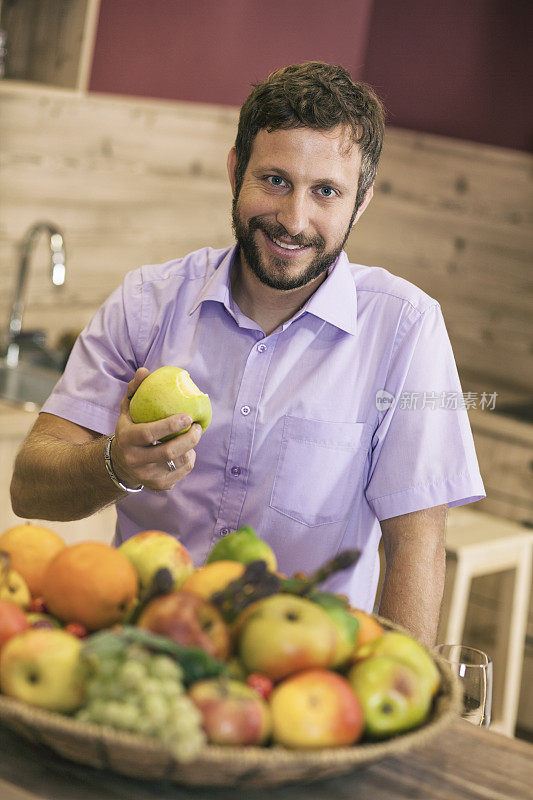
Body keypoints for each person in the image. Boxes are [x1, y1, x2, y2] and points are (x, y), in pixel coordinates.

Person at [10, 62, 484, 645]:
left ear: (359, 203)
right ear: (236, 170)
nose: (293, 219)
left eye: (326, 192)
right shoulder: (146, 303)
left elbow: (415, 549)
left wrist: (393, 696)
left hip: (296, 675)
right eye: (275, 181)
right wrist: (116, 464)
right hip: (139, 649)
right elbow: (30, 487)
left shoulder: (405, 329)